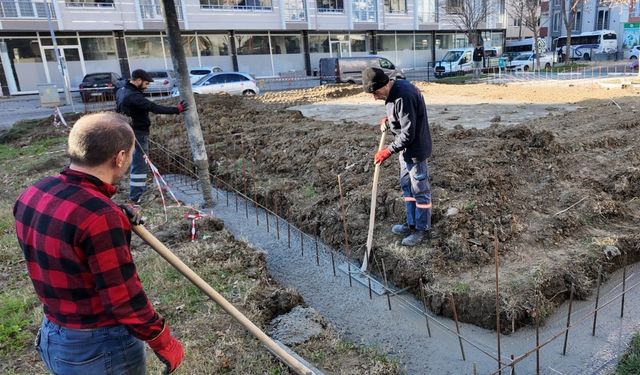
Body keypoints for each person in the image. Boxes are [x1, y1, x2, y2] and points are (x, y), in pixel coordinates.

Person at [13, 112, 184, 374]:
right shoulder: (100, 217)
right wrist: (162, 339)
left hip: (54, 334)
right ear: (120, 157)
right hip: (99, 346)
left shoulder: (35, 192)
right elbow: (123, 298)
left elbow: (69, 236)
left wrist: (113, 211)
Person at [363, 67, 433, 247]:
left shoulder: (404, 95)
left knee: (420, 191)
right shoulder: (394, 92)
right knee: (407, 187)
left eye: (376, 92)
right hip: (405, 150)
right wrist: (389, 120)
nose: (375, 97)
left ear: (385, 84)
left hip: (415, 149)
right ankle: (411, 223)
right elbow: (400, 114)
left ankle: (421, 229)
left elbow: (408, 133)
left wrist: (388, 150)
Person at [116, 68, 188, 203]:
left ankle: (136, 192)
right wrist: (176, 110)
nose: (147, 86)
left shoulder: (121, 90)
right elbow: (153, 107)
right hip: (138, 133)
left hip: (127, 131)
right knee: (140, 164)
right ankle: (136, 196)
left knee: (135, 163)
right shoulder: (134, 96)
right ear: (138, 80)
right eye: (146, 83)